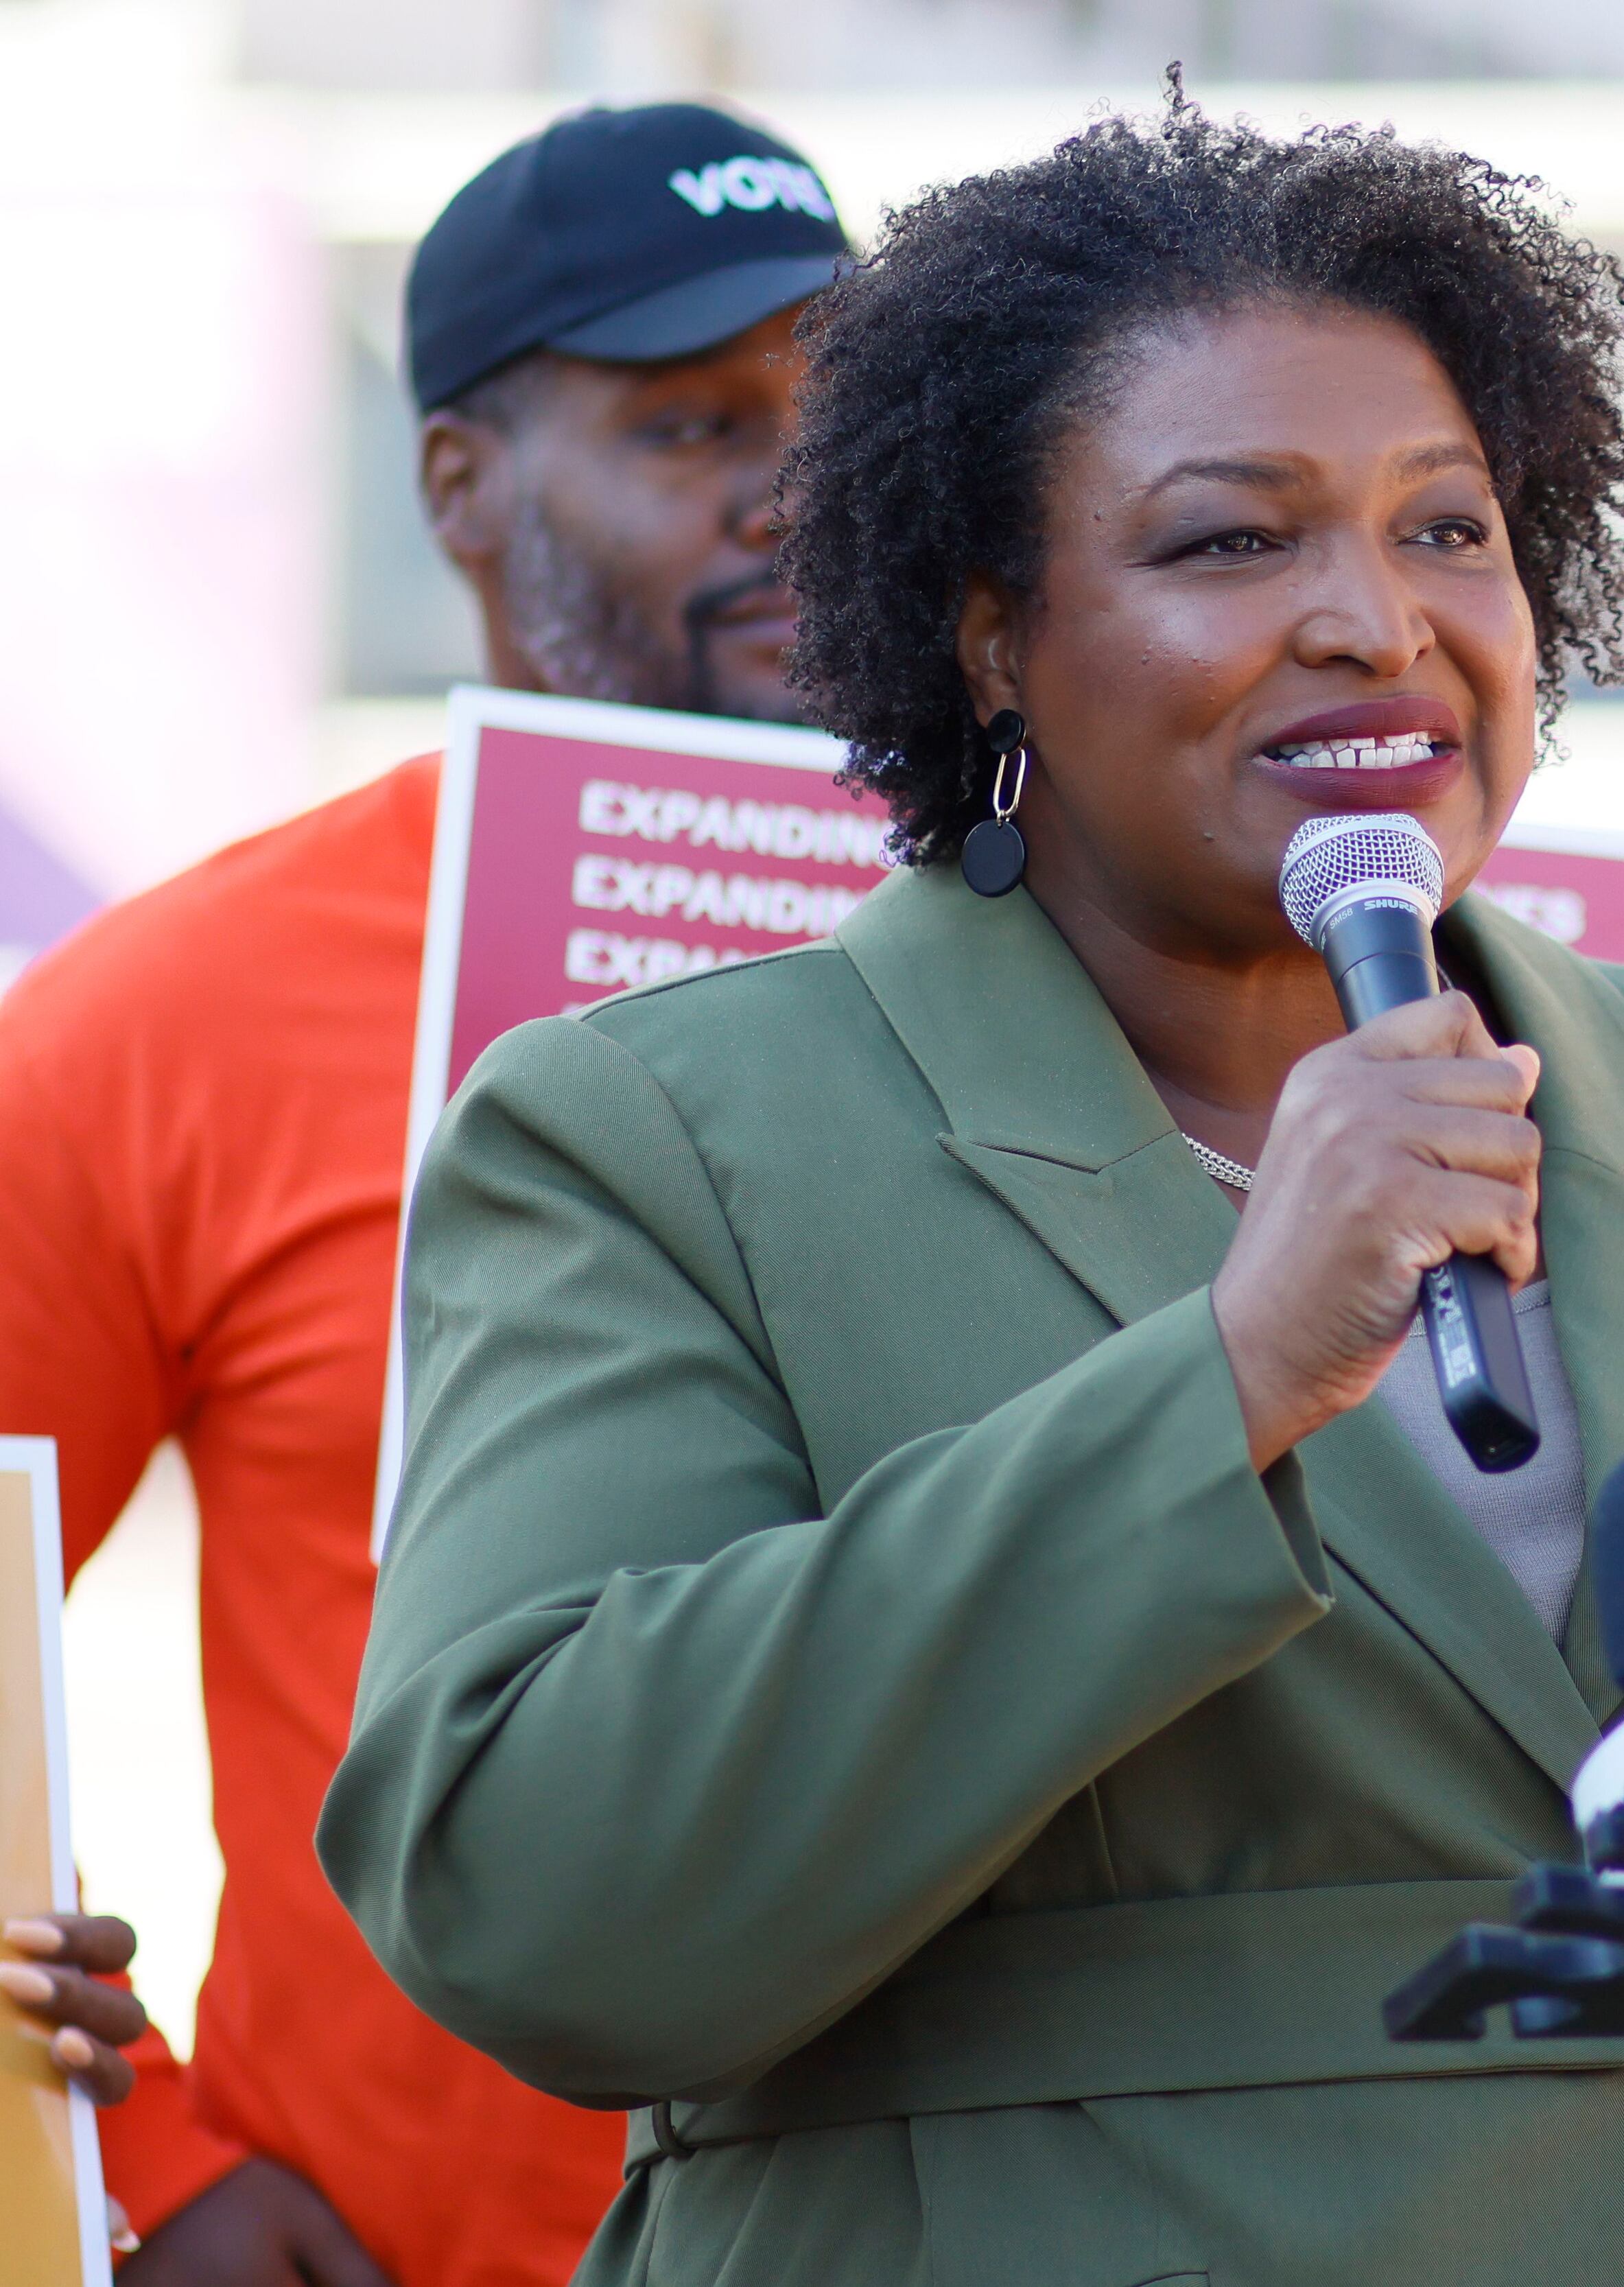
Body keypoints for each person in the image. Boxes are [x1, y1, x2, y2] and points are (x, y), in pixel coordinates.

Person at [318, 101, 1624, 2286]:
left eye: (1450, 529)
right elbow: (538, 1896)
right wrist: (1235, 1371)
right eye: (1229, 544)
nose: (1377, 619)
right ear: (989, 632)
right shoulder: (656, 1130)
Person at [0, 100, 848, 2286]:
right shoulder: (177, 1012)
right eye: (696, 423)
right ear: (461, 486)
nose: (804, 490)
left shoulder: (1119, 942)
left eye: (852, 405)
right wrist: (144, 2159)